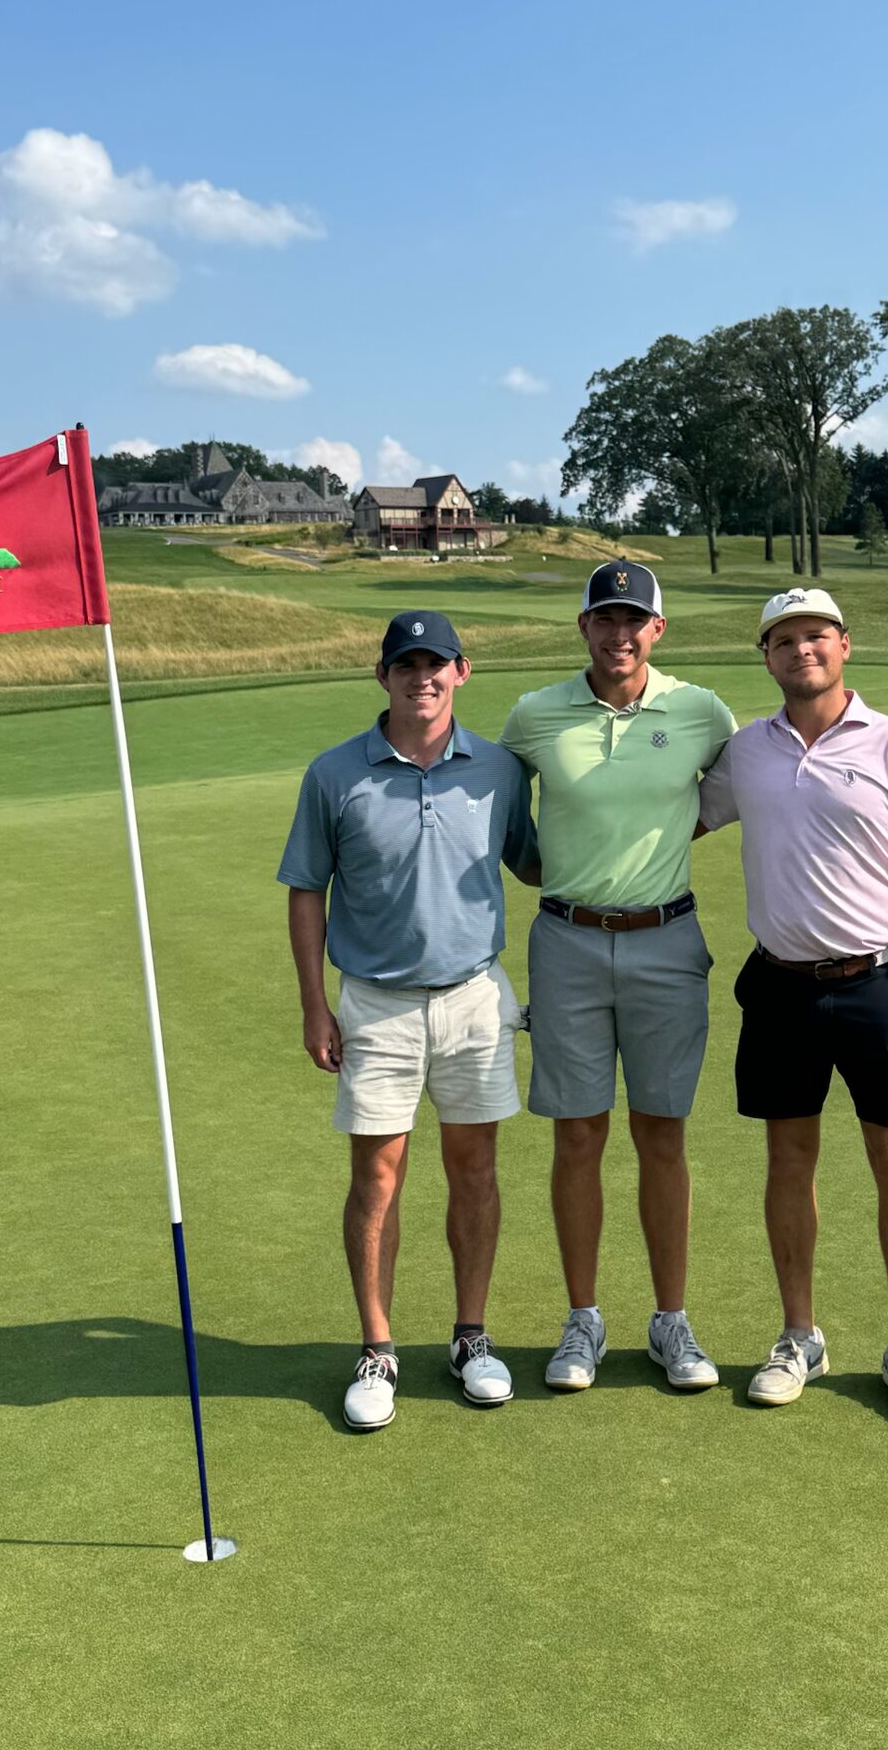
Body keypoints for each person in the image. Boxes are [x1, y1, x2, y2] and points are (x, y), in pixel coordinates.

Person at [697, 587, 888, 1421]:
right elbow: (675, 819)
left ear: (845, 645)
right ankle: (799, 1334)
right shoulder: (747, 752)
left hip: (878, 982)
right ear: (765, 657)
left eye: (815, 636)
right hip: (779, 985)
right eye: (783, 640)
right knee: (789, 1161)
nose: (800, 651)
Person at [279, 610, 540, 1431]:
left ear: (462, 672)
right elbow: (305, 890)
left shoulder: (499, 769)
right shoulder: (334, 774)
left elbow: (535, 860)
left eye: (437, 664)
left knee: (475, 1172)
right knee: (377, 1180)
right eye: (405, 665)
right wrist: (315, 1004)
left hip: (473, 999)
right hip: (378, 1006)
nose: (421, 677)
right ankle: (379, 1350)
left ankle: (470, 1338)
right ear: (382, 676)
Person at [500, 560, 737, 1392]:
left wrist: (665, 842)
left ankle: (672, 1321)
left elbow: (733, 793)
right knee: (578, 1134)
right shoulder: (535, 715)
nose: (619, 634)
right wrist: (547, 867)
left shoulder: (701, 711)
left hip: (667, 943)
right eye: (605, 618)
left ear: (658, 630)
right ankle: (583, 1321)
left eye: (635, 619)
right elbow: (500, 812)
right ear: (584, 628)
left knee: (662, 1132)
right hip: (565, 942)